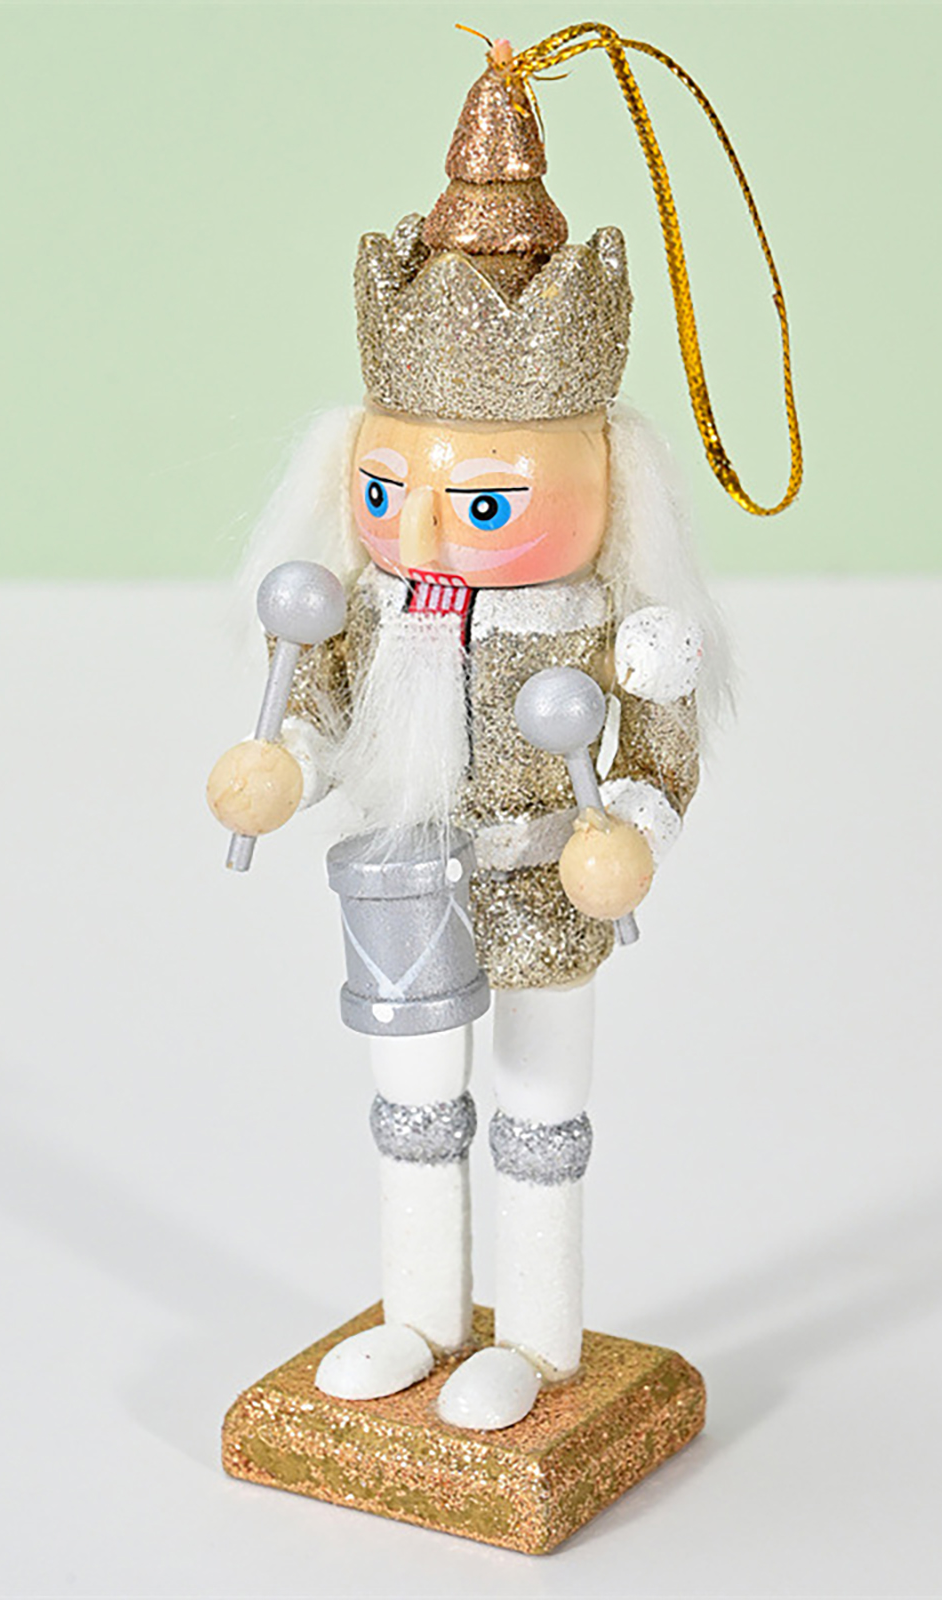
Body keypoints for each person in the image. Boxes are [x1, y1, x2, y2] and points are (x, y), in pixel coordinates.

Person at [207, 43, 726, 1431]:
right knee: (412, 1094)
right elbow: (320, 706)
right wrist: (282, 766)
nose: (428, 527)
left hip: (548, 876)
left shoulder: (616, 626)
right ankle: (420, 1315)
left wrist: (633, 830)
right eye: (388, 490)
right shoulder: (367, 604)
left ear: (606, 477)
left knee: (541, 1107)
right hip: (406, 865)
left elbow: (661, 749)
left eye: (486, 503)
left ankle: (539, 1344)